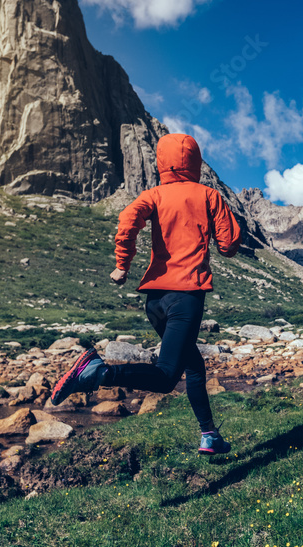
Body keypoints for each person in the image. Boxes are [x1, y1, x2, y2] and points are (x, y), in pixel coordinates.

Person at [50, 133, 242, 455]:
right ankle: (98, 372)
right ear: (195, 160)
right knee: (167, 376)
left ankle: (210, 435)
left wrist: (122, 264)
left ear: (161, 162)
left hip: (155, 300)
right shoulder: (209, 195)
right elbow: (229, 246)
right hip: (186, 297)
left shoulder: (153, 194)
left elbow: (127, 220)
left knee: (193, 365)